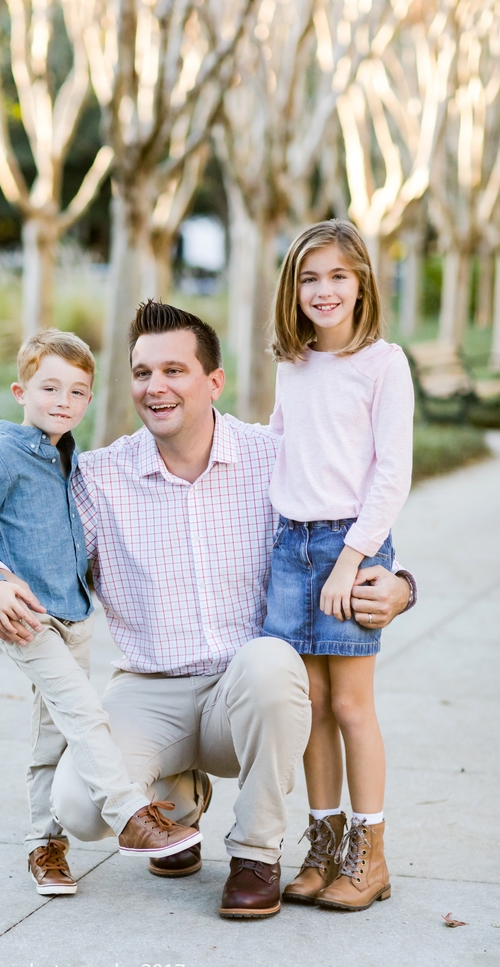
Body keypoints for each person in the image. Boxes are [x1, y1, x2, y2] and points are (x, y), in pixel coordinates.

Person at [0, 301, 415, 919]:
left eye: (174, 371)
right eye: (141, 373)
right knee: (78, 806)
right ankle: (179, 801)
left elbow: (349, 515)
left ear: (214, 382)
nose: (155, 387)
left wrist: (400, 585)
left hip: (245, 693)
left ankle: (256, 854)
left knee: (274, 663)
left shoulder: (274, 459)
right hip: (150, 688)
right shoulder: (100, 477)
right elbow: (40, 553)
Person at [0, 329, 201, 897]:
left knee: (52, 735)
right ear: (20, 390)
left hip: (74, 616)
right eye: (49, 387)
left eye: (78, 392)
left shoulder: (70, 459)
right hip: (27, 618)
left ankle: (45, 845)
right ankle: (130, 812)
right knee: (85, 713)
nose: (63, 401)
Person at [263, 221, 414, 911]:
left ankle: (369, 854)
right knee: (312, 707)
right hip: (290, 547)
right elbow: (277, 447)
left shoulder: (384, 364)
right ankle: (322, 847)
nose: (323, 291)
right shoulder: (291, 365)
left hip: (347, 549)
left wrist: (350, 562)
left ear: (362, 284)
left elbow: (391, 477)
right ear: (292, 290)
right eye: (309, 278)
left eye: (338, 276)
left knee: (352, 705)